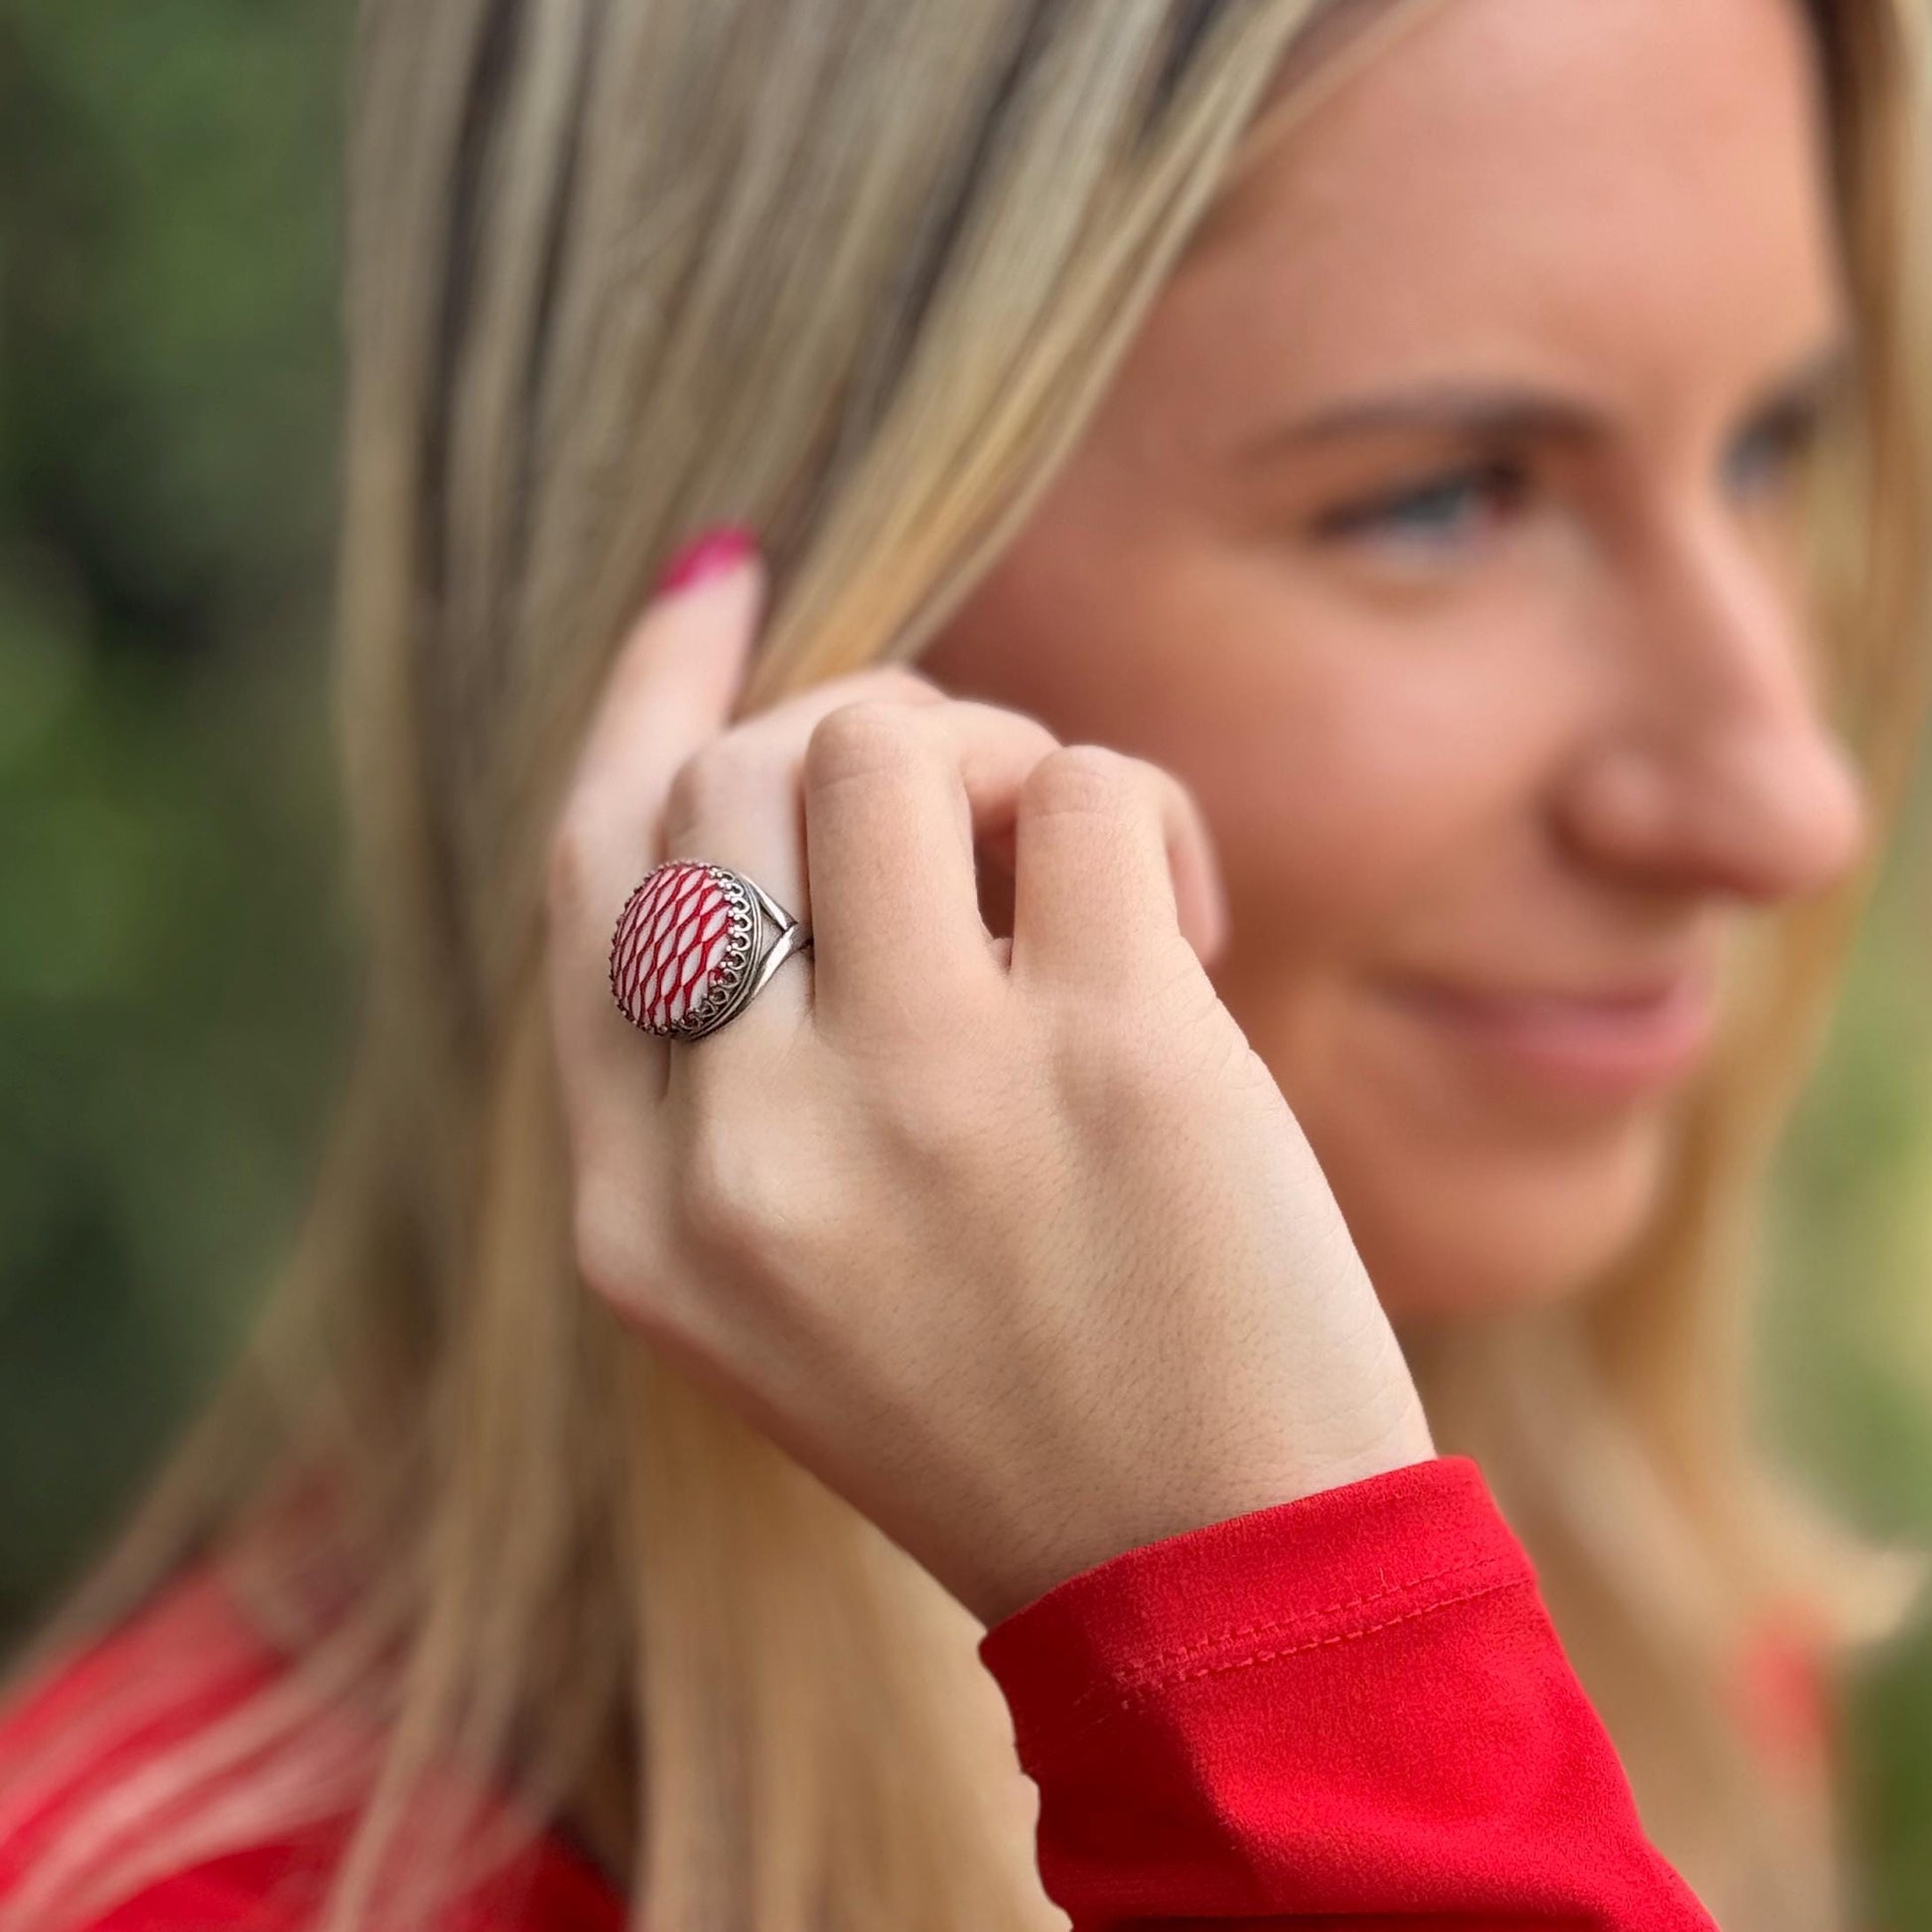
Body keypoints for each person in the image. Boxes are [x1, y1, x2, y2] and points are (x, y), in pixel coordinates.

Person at [1, 0, 1928, 1926]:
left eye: (1770, 446)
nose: (1785, 804)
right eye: (1442, 501)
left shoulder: (1641, 1626)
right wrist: (1292, 1683)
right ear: (793, 626)